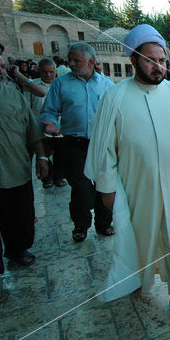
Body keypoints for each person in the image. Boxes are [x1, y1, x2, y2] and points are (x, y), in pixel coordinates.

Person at [85, 24, 170, 318]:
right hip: (136, 185)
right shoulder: (115, 97)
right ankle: (136, 279)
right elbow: (103, 148)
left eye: (162, 60)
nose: (158, 66)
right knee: (137, 236)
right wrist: (106, 187)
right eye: (150, 60)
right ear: (133, 60)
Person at [0, 49, 49, 289]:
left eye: (1, 67)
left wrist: (42, 157)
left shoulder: (14, 96)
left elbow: (32, 130)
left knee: (18, 216)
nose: (0, 71)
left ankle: (18, 250)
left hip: (14, 171)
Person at [40, 43, 114, 242]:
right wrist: (50, 123)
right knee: (82, 190)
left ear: (91, 62)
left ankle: (104, 223)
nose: (70, 63)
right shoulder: (60, 84)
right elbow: (49, 111)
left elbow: (119, 113)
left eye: (76, 60)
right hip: (73, 144)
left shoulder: (107, 85)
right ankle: (81, 225)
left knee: (104, 185)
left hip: (101, 144)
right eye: (69, 59)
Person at [26, 58, 66, 189]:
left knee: (60, 155)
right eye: (45, 72)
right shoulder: (33, 86)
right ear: (39, 71)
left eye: (51, 72)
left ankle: (59, 177)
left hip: (60, 129)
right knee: (44, 155)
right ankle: (47, 179)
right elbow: (27, 107)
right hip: (41, 129)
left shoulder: (62, 85)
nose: (49, 75)